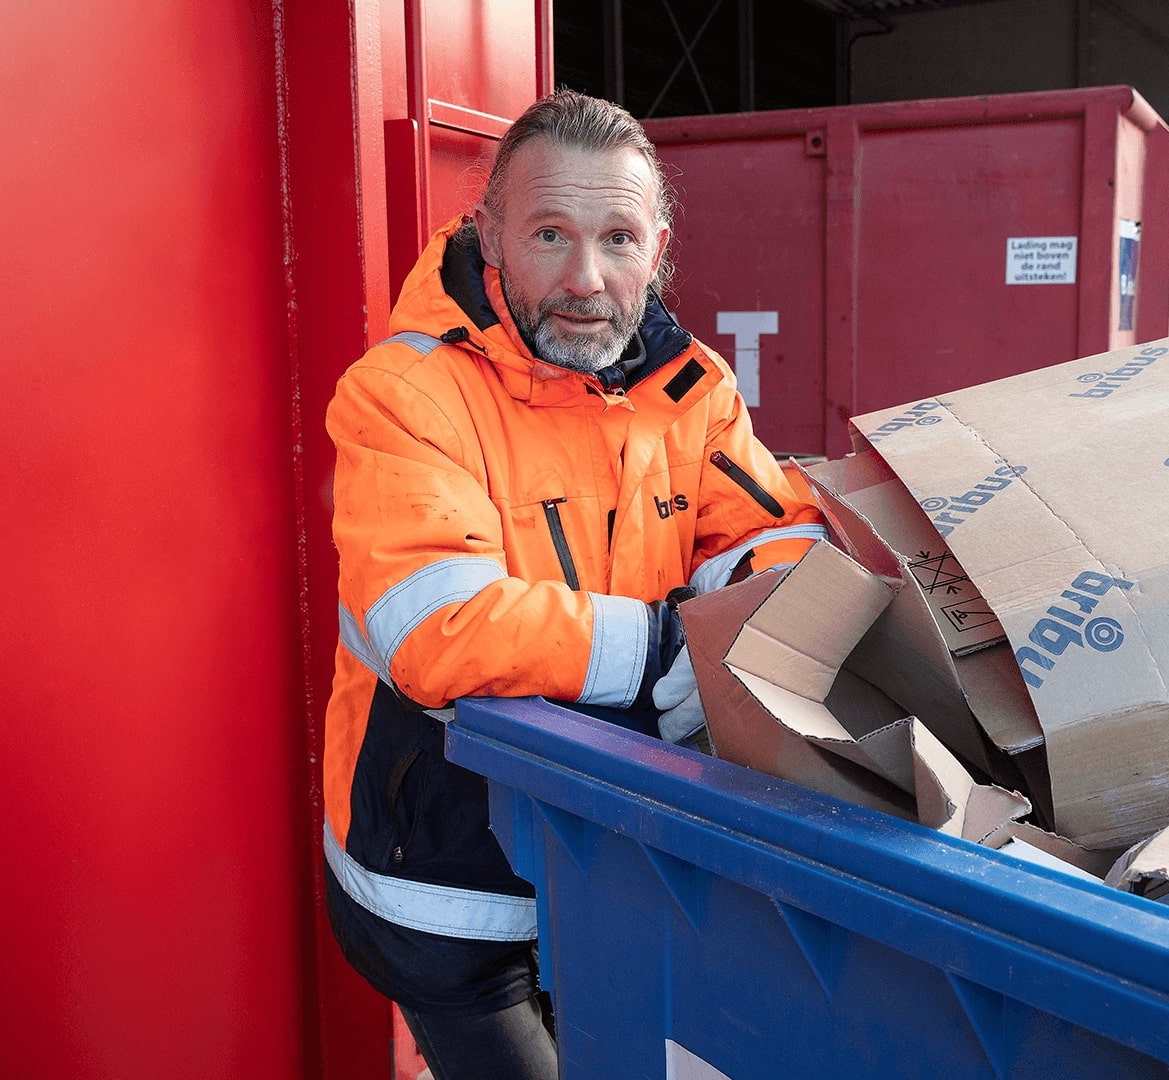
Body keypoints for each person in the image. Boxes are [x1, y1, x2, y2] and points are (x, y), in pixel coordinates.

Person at [319, 90, 827, 1079]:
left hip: (616, 866)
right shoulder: (404, 394)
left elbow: (778, 534)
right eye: (550, 234)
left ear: (659, 246)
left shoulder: (692, 391)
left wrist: (742, 616)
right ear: (490, 237)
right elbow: (439, 628)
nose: (586, 279)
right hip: (448, 891)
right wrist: (679, 652)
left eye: (619, 238)